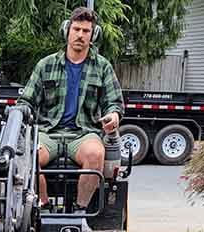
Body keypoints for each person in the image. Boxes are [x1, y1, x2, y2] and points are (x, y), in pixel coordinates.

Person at [16, 5, 124, 209]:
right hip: (48, 132)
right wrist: (20, 115)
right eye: (76, 29)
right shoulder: (45, 65)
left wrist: (113, 116)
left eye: (86, 31)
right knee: (27, 154)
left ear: (93, 35)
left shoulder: (102, 67)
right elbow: (26, 101)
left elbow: (114, 102)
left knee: (96, 154)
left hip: (84, 133)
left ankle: (80, 211)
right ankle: (43, 207)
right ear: (67, 31)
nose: (80, 35)